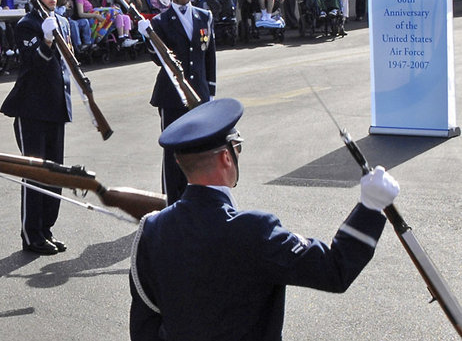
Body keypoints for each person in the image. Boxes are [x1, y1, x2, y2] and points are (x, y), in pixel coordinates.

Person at [129, 98, 400, 341]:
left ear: (180, 163)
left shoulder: (152, 230)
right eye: (238, 149)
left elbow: (144, 327)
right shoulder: (254, 231)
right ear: (226, 156)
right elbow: (334, 270)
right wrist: (370, 206)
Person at [0, 0, 72, 256]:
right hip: (31, 107)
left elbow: (67, 66)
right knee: (35, 173)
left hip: (56, 104)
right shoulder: (27, 25)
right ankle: (31, 234)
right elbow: (34, 63)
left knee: (56, 172)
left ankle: (46, 229)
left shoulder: (63, 22)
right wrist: (46, 42)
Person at [139, 0, 215, 206]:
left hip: (199, 94)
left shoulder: (205, 16)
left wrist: (210, 91)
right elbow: (157, 59)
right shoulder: (161, 22)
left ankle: (198, 202)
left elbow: (209, 56)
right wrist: (148, 38)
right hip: (171, 95)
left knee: (199, 151)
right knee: (173, 153)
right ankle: (173, 204)